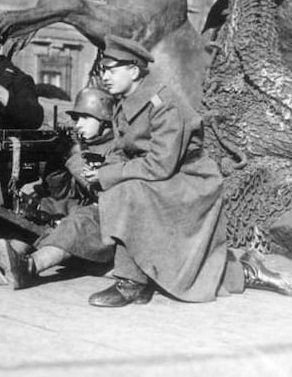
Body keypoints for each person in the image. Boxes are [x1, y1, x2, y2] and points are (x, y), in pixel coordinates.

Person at [79, 34, 292, 306]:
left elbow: (160, 164)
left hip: (191, 181)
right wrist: (104, 168)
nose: (104, 76)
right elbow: (125, 148)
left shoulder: (162, 103)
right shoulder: (128, 100)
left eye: (110, 69)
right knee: (127, 192)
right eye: (102, 69)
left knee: (128, 190)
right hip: (167, 177)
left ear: (133, 70)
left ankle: (131, 283)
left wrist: (109, 175)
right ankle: (142, 279)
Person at [0, 87, 117, 289]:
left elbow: (102, 192)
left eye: (85, 118)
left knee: (79, 222)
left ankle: (28, 267)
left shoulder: (117, 148)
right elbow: (65, 193)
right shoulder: (86, 142)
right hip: (84, 211)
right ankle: (10, 253)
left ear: (105, 120)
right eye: (76, 118)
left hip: (107, 219)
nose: (78, 124)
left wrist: (75, 157)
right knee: (42, 206)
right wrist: (55, 163)